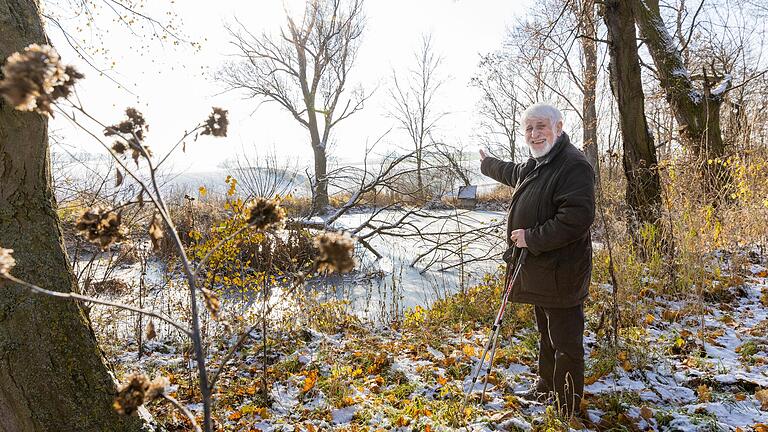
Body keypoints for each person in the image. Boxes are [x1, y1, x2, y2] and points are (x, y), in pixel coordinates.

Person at [479, 102, 595, 417]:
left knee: (566, 344)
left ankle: (567, 408)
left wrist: (532, 237)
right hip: (541, 272)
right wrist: (487, 163)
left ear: (558, 128)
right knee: (546, 335)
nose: (534, 134)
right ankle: (546, 387)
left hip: (562, 273)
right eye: (529, 128)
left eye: (540, 126)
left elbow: (577, 217)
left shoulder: (573, 165)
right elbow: (512, 172)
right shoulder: (539, 163)